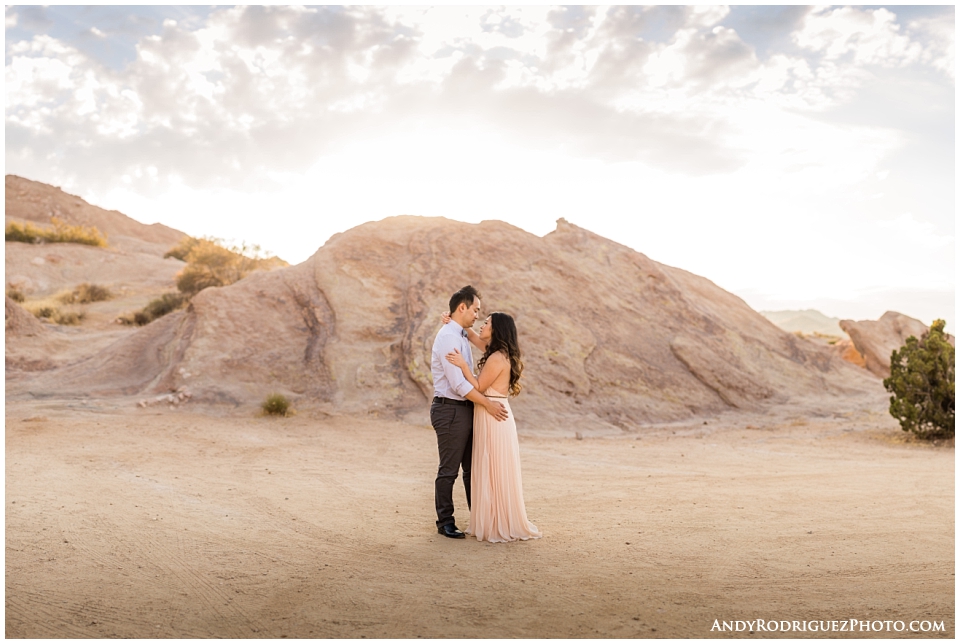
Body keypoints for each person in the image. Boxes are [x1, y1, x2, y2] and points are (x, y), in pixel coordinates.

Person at [445, 311, 542, 543]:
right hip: (491, 413)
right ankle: (495, 519)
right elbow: (473, 337)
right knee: (492, 468)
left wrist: (462, 365)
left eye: (486, 323)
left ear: (496, 329)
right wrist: (454, 321)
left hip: (493, 415)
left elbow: (477, 385)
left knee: (492, 467)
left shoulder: (497, 357)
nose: (481, 325)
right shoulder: (496, 352)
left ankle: (498, 523)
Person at [431, 286, 509, 539]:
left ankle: (479, 518)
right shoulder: (448, 338)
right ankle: (445, 522)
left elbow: (481, 343)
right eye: (475, 310)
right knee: (449, 470)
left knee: (471, 469)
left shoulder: (460, 334)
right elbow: (459, 385)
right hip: (450, 409)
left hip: (466, 409)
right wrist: (487, 404)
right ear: (462, 307)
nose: (477, 315)